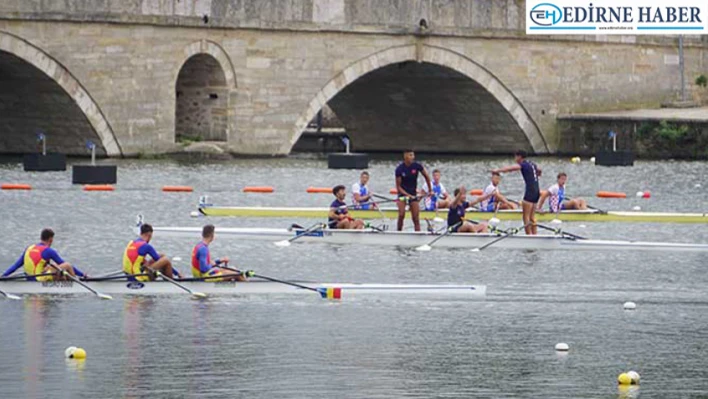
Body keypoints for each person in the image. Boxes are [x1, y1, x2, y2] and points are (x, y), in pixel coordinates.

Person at [2, 228, 85, 281]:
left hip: (29, 278)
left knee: (54, 266)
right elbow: (63, 263)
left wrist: (3, 276)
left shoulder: (29, 248)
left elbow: (15, 266)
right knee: (67, 265)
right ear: (51, 239)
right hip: (38, 279)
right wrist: (82, 274)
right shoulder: (48, 251)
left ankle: (65, 282)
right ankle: (76, 284)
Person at [492, 150, 542, 235]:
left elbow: (511, 168)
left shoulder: (522, 164)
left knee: (525, 216)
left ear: (519, 157)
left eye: (515, 156)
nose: (515, 158)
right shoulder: (532, 164)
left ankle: (529, 236)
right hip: (537, 190)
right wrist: (537, 175)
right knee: (532, 217)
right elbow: (539, 170)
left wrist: (498, 170)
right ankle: (535, 234)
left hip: (530, 191)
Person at [395, 149, 433, 231]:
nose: (413, 157)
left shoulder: (417, 166)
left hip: (413, 194)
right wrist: (408, 195)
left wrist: (430, 190)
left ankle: (418, 234)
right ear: (405, 156)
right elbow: (398, 187)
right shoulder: (399, 169)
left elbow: (427, 177)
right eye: (410, 155)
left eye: (413, 155)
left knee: (416, 217)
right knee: (401, 214)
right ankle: (398, 231)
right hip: (402, 195)